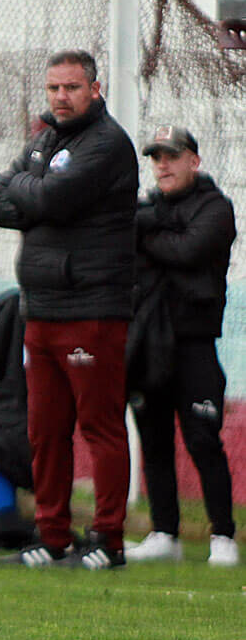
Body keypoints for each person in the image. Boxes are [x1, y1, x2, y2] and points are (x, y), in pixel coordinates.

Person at [0, 49, 138, 570]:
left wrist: (29, 191)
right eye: (54, 88)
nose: (61, 98)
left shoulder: (109, 145)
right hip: (41, 309)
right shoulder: (45, 139)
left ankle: (108, 540)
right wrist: (35, 191)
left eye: (72, 88)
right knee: (45, 429)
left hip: (92, 308)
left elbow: (49, 200)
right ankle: (52, 535)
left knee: (99, 426)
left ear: (95, 89)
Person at [125, 126, 239, 566]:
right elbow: (130, 245)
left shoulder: (216, 208)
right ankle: (164, 533)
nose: (163, 165)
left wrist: (150, 239)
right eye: (156, 158)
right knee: (152, 440)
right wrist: (155, 236)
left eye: (172, 156)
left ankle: (223, 536)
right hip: (147, 345)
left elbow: (190, 251)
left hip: (194, 345)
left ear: (194, 160)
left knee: (202, 439)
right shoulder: (146, 210)